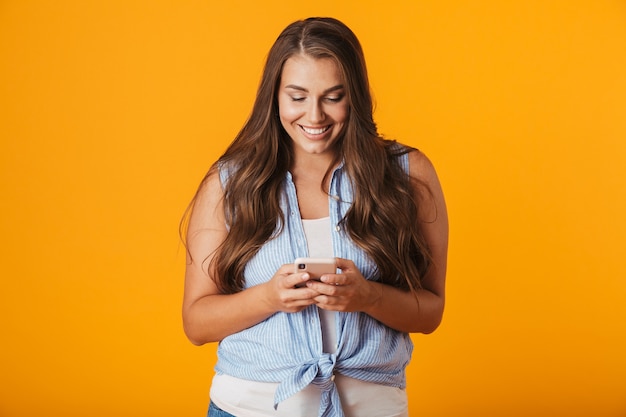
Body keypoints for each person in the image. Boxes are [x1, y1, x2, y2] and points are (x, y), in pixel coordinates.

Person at [182, 17, 448, 417]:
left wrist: (368, 296)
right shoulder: (230, 182)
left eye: (333, 96)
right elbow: (196, 323)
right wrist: (269, 297)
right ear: (274, 97)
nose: (315, 115)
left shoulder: (407, 174)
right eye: (298, 96)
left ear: (355, 95)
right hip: (247, 408)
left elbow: (430, 312)